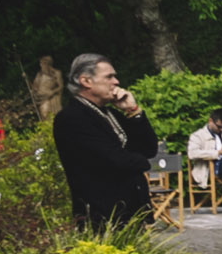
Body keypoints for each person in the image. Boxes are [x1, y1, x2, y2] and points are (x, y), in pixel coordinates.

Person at [52, 53, 158, 233]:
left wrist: (133, 112)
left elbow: (148, 148)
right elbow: (115, 160)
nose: (116, 82)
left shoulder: (112, 114)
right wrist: (142, 163)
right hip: (101, 218)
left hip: (129, 214)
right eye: (109, 77)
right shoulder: (72, 118)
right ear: (86, 81)